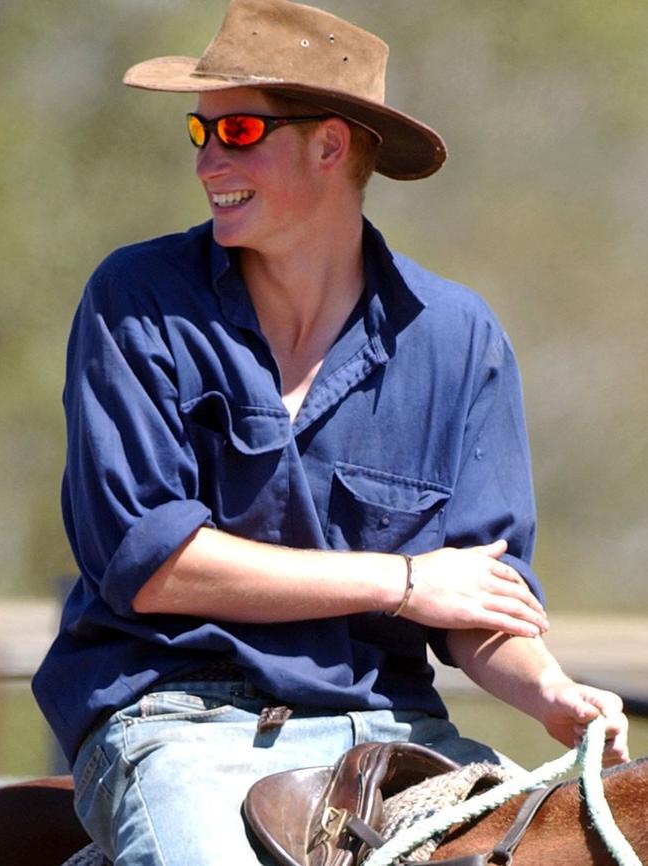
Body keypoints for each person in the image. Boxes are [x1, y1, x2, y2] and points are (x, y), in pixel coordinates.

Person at [33, 1, 629, 864]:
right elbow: (152, 563)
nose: (207, 160)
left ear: (331, 144)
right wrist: (400, 581)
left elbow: (476, 602)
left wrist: (554, 694)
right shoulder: (137, 300)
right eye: (199, 131)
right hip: (176, 722)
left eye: (237, 130)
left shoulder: (459, 339)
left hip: (397, 738)